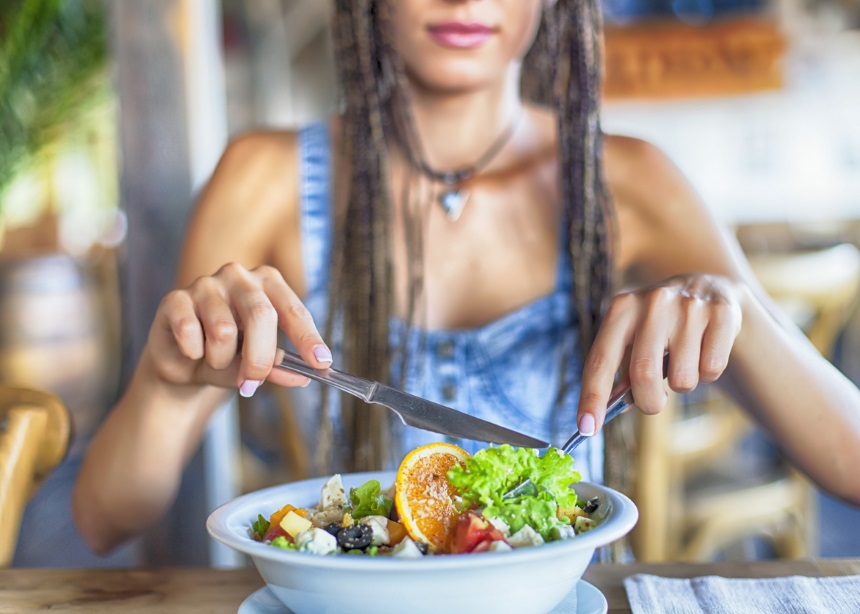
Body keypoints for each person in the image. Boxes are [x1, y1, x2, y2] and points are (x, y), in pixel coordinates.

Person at [73, 0, 860, 556]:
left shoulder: (632, 180)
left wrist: (739, 311)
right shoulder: (263, 178)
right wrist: (168, 382)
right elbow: (105, 520)